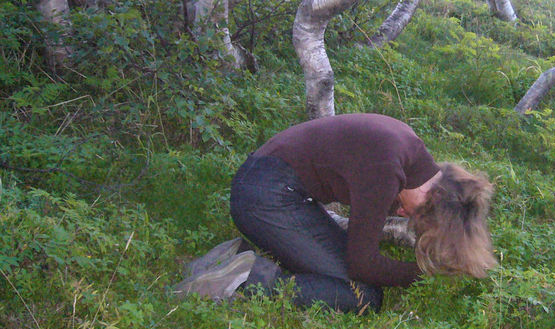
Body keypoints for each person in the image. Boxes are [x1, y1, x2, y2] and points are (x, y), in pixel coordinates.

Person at [183, 113, 497, 313]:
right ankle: (244, 279)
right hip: (265, 195)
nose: (404, 215)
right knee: (363, 296)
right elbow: (363, 264)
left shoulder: (409, 150)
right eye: (417, 216)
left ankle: (241, 253)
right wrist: (420, 275)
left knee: (346, 270)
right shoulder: (386, 172)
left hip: (270, 187)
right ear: (436, 194)